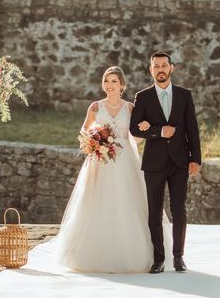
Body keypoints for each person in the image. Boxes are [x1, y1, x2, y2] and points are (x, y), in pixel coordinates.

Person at [56, 66, 172, 273]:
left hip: (125, 159)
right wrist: (93, 140)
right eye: (106, 81)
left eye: (114, 81)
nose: (109, 85)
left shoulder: (130, 109)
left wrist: (144, 130)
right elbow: (83, 130)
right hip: (100, 161)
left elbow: (134, 137)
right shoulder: (95, 107)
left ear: (122, 85)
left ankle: (138, 254)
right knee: (97, 201)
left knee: (128, 201)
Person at [129, 52, 202, 274]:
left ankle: (178, 257)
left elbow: (192, 128)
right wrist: (159, 131)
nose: (160, 69)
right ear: (151, 70)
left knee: (179, 209)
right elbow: (133, 129)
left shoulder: (184, 95)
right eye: (156, 66)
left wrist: (195, 158)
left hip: (180, 161)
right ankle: (159, 259)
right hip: (154, 162)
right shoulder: (142, 97)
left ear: (172, 68)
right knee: (154, 212)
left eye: (164, 65)